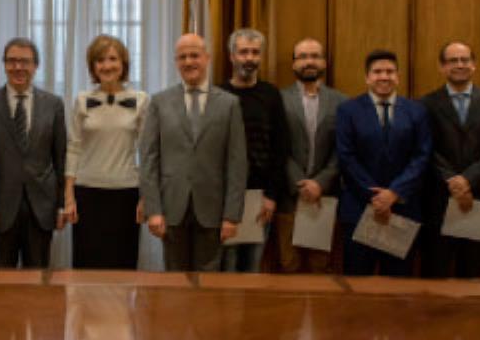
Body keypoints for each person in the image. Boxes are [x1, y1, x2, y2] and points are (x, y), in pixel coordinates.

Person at [140, 33, 247, 272]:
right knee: (175, 283)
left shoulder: (229, 104)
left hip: (213, 211)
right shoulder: (159, 102)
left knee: (209, 284)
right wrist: (153, 210)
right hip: (171, 209)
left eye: (194, 55)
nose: (189, 62)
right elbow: (148, 160)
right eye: (182, 57)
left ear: (207, 58)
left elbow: (237, 163)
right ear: (176, 62)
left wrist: (232, 214)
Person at [0, 38, 67, 268]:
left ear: (36, 66)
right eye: (12, 61)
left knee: (38, 280)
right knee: (0, 282)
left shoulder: (54, 104)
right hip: (1, 208)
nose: (18, 67)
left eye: (25, 62)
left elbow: (61, 159)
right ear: (4, 64)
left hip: (42, 208)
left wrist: (62, 204)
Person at [335, 49, 432, 277]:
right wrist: (377, 198)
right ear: (367, 77)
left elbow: (422, 156)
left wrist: (394, 193)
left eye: (389, 71)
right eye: (377, 72)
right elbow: (346, 157)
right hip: (360, 209)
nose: (384, 76)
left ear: (397, 76)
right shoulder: (348, 110)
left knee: (398, 287)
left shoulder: (416, 111)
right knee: (358, 285)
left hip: (402, 210)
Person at [419, 41, 480, 279]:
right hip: (438, 200)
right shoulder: (424, 105)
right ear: (442, 67)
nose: (460, 65)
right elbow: (425, 150)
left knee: (476, 278)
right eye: (452, 61)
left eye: (465, 60)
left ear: (474, 65)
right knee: (436, 278)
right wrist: (453, 181)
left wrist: (468, 180)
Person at [64, 35, 148, 270]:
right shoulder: (82, 100)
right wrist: (69, 197)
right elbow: (73, 147)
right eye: (100, 60)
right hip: (87, 193)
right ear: (93, 66)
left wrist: (145, 196)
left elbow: (147, 151)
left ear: (124, 64)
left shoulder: (141, 101)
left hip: (127, 193)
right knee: (87, 267)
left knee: (123, 266)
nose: (107, 65)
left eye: (113, 59)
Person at [217, 28, 291, 272]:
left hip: (260, 198)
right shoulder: (218, 95)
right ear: (231, 56)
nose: (249, 58)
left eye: (255, 53)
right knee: (226, 267)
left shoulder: (271, 95)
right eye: (243, 52)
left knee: (252, 268)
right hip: (225, 197)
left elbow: (281, 148)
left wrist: (271, 195)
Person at [277, 38, 346, 273]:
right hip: (289, 197)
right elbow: (278, 149)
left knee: (321, 268)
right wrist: (300, 183)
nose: (309, 62)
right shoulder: (278, 99)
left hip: (324, 199)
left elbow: (342, 149)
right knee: (289, 266)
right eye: (303, 57)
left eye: (315, 56)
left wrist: (320, 182)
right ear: (294, 64)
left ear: (324, 62)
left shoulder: (341, 101)